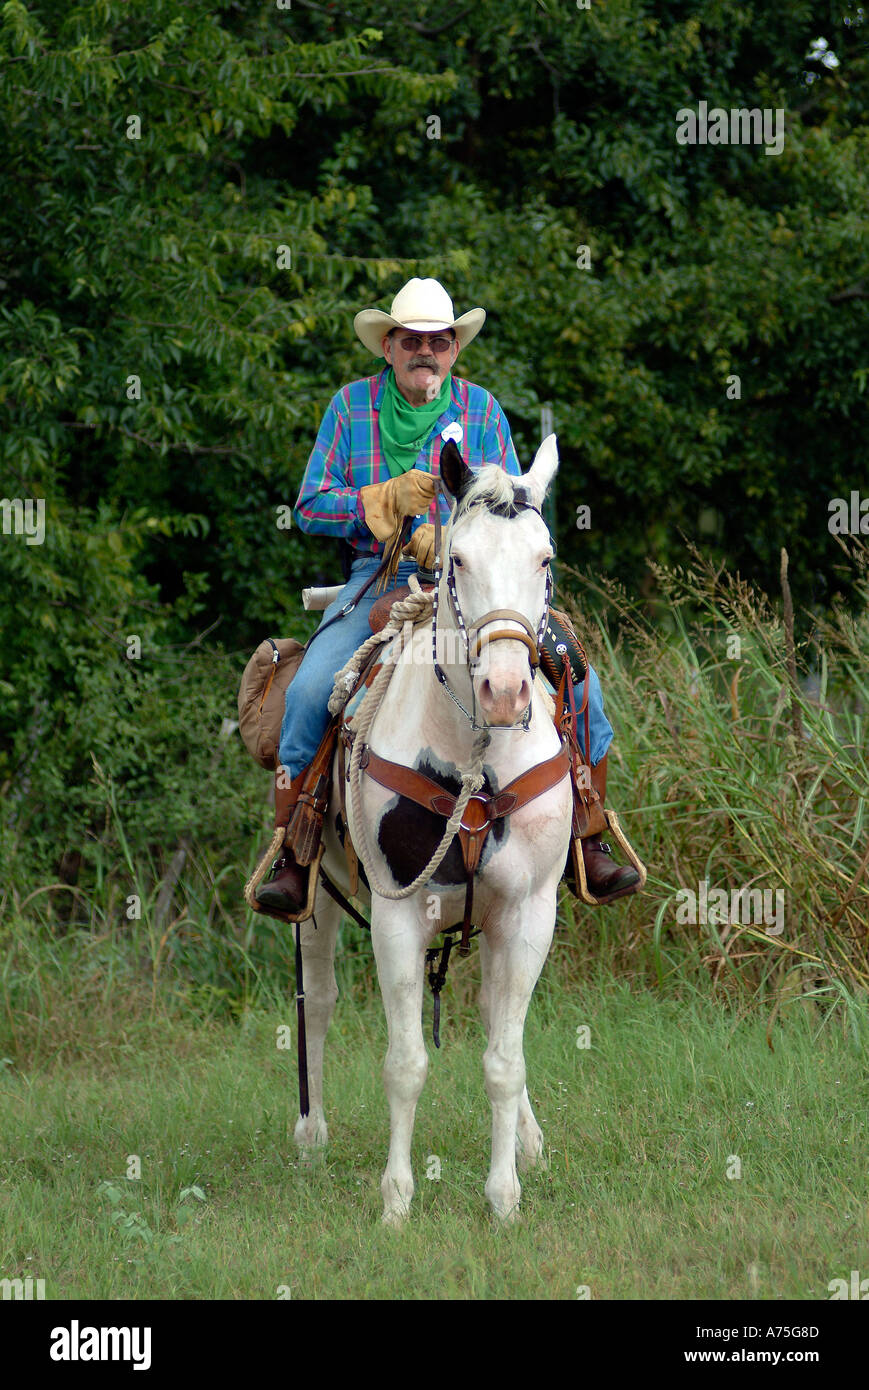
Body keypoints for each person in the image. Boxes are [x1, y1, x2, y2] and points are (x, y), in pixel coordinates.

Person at [256, 278, 638, 914]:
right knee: (307, 689)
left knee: (576, 676)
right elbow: (309, 507)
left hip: (481, 587)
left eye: (438, 340)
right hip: (373, 580)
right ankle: (296, 849)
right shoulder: (349, 407)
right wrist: (377, 503)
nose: (424, 351)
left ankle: (588, 838)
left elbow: (517, 507)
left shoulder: (484, 410)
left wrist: (454, 535)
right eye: (411, 340)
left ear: (454, 349)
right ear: (389, 347)